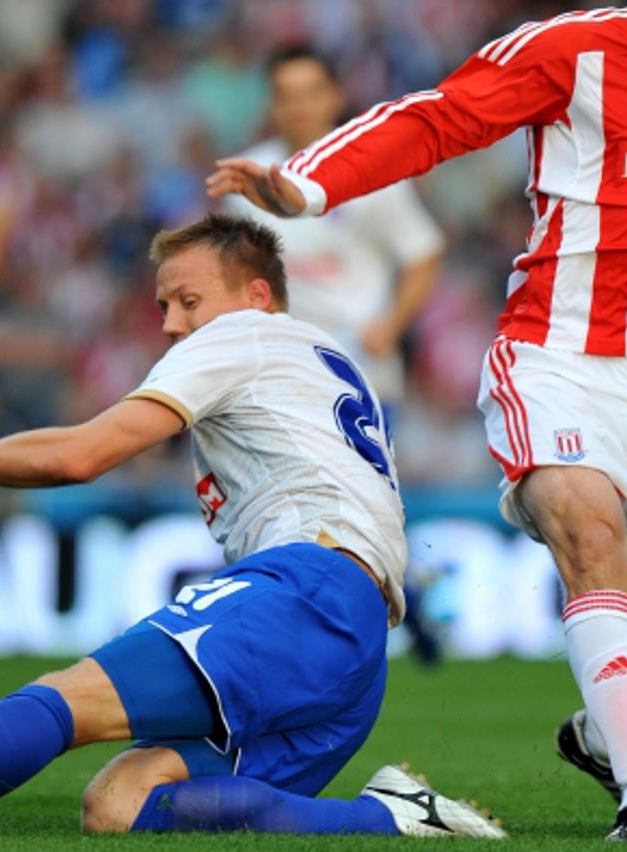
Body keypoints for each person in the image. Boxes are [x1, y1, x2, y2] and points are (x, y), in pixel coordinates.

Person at [206, 0, 627, 843]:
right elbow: (439, 116)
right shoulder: (573, 50)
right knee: (591, 540)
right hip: (558, 358)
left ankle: (602, 735)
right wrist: (309, 183)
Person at [0, 213, 504, 840]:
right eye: (164, 305)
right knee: (121, 802)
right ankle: (389, 817)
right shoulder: (324, 360)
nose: (171, 323)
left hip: (305, 593)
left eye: (189, 300)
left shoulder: (242, 336)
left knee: (70, 699)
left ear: (256, 296)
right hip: (355, 650)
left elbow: (80, 455)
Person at [224, 45, 448, 664]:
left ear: (332, 97)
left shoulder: (369, 169)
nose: (298, 106)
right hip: (277, 370)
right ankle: (320, 624)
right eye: (286, 95)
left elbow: (424, 253)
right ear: (272, 103)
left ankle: (397, 599)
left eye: (309, 92)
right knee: (289, 502)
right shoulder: (250, 181)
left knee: (363, 505)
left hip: (357, 372)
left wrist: (390, 324)